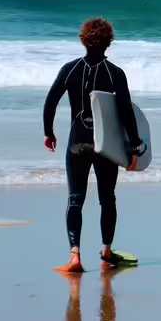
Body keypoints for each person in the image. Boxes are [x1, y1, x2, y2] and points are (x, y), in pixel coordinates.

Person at [43, 17, 145, 272]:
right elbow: (125, 112)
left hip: (77, 143)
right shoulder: (115, 73)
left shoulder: (69, 69)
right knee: (107, 199)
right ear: (109, 42)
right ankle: (107, 251)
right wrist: (134, 147)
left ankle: (75, 256)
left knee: (75, 199)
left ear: (83, 40)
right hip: (105, 147)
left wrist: (49, 132)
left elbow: (50, 101)